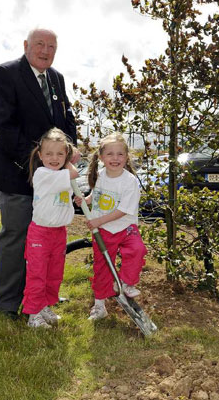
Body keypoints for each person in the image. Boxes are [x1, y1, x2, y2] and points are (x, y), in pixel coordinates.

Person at [0, 28, 79, 319]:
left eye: (51, 46)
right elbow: (6, 127)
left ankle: (39, 300)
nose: (45, 50)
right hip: (18, 175)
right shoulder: (6, 73)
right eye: (39, 44)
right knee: (16, 238)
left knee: (48, 242)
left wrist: (68, 150)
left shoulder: (57, 78)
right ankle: (6, 305)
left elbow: (67, 120)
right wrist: (39, 164)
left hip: (52, 175)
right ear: (26, 45)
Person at [75, 133, 147, 320]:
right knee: (103, 267)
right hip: (104, 232)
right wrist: (84, 200)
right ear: (101, 157)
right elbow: (96, 195)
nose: (115, 158)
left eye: (120, 154)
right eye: (110, 154)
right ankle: (99, 306)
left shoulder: (129, 181)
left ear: (126, 157)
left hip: (125, 228)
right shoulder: (100, 176)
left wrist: (98, 221)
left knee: (137, 250)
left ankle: (125, 283)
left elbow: (124, 210)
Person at [22, 128, 78, 328]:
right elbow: (74, 172)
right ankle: (33, 314)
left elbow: (65, 195)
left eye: (60, 154)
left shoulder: (62, 175)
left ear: (65, 155)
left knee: (54, 274)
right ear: (40, 156)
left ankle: (44, 305)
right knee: (37, 274)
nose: (54, 158)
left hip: (59, 232)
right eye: (49, 154)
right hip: (41, 233)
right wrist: (70, 158)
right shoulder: (43, 173)